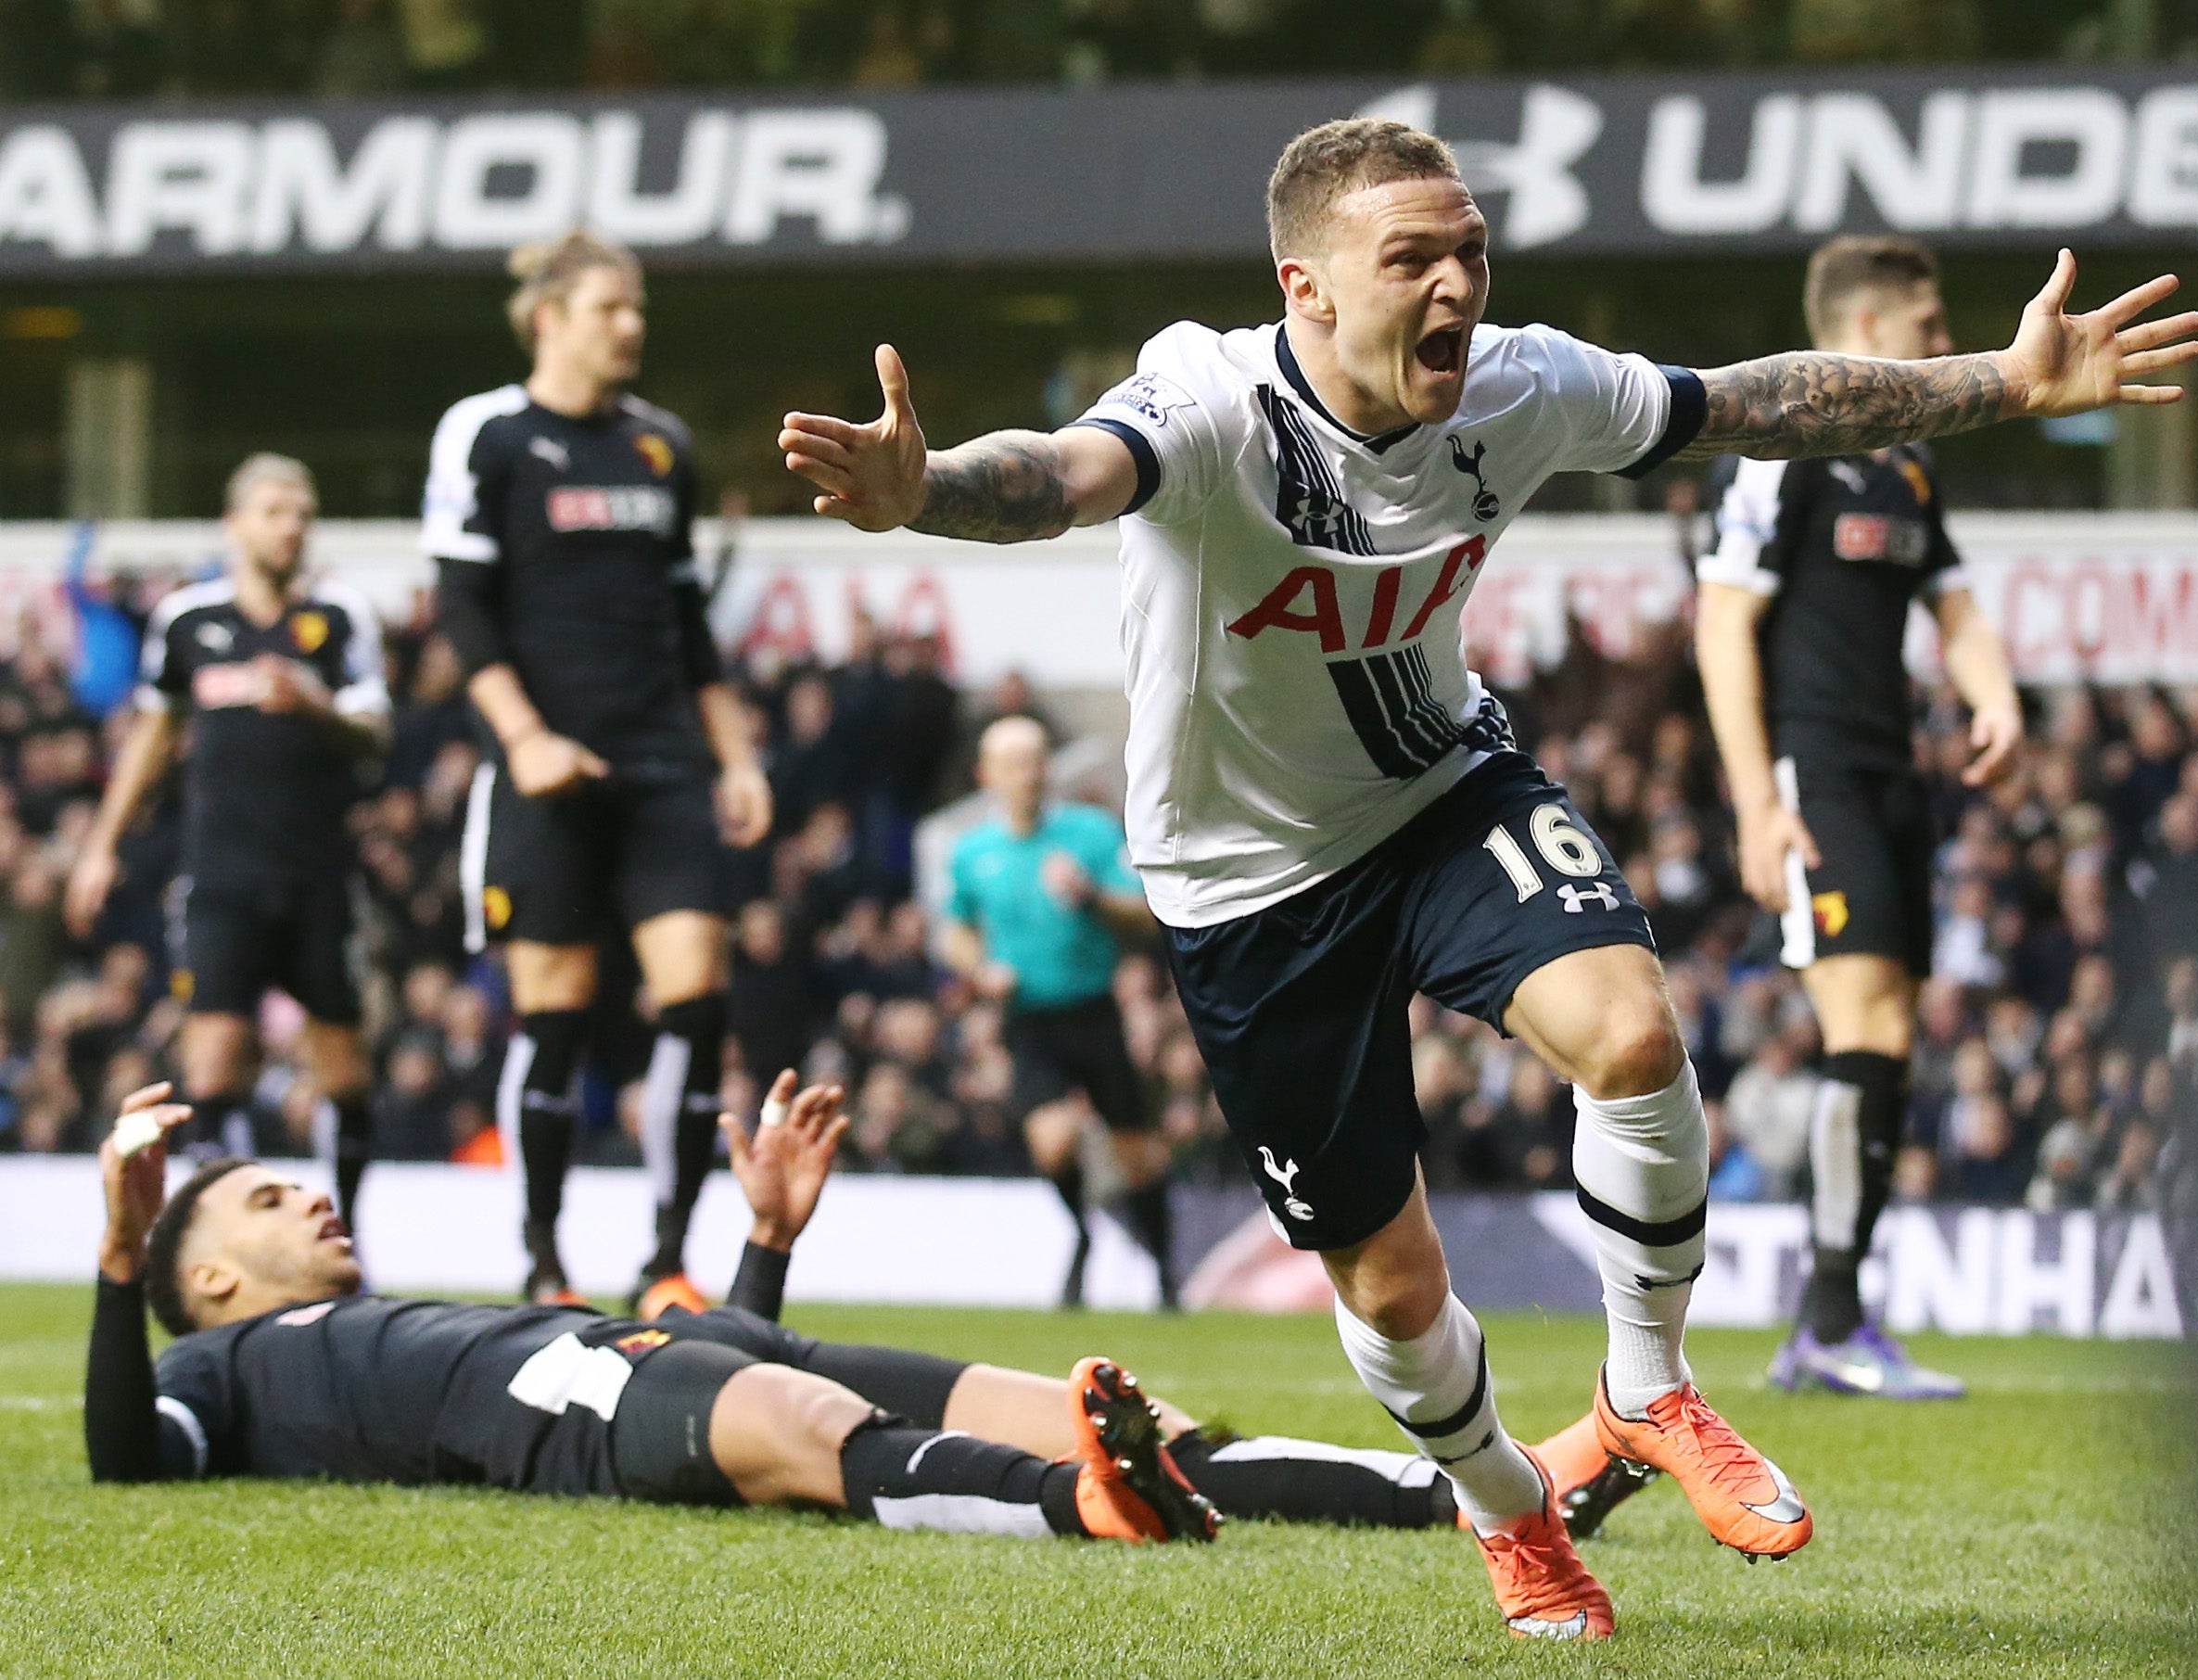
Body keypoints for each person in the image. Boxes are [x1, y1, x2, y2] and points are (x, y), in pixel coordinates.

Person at [776, 117, 2198, 1639]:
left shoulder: (1521, 381)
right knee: (1389, 1289)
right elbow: (1062, 473)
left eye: (1470, 251)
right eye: (1413, 258)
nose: (1455, 281)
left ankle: (1648, 1385)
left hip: (1439, 790)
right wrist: (921, 490)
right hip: (1244, 883)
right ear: (1306, 288)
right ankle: (1509, 1511)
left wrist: (2004, 381)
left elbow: (1751, 405)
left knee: (1635, 1033)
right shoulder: (1208, 396)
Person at [81, 1069, 1493, 1539]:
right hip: (581, 1404)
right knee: (808, 1425)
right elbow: (122, 1456)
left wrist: (762, 1243)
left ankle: (1465, 1496)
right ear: (201, 1279)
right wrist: (107, 1270)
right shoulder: (227, 1375)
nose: (308, 1203)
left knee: (1135, 1416)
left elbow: (706, 1331)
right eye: (266, 1205)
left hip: (676, 1340)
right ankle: (1082, 1506)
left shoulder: (372, 1311)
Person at [1696, 235, 2028, 1402]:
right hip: (1813, 768)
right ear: (1871, 329)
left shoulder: (1909, 465)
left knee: (1887, 1023)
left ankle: (1832, 1320)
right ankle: (1830, 1321)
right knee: (1865, 1017)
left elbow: (1958, 602)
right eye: (1930, 326)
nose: (1945, 347)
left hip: (1894, 778)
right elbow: (1721, 621)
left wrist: (1991, 689)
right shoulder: (1777, 451)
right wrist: (1755, 802)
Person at [423, 231, 773, 1310]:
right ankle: (541, 1260)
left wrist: (734, 755)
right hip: (540, 774)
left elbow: (688, 628)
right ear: (548, 316)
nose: (632, 325)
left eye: (636, 309)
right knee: (558, 1013)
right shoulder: (486, 435)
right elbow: (461, 610)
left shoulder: (661, 447)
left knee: (696, 1001)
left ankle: (665, 1260)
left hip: (661, 763)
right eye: (610, 308)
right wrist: (524, 739)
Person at [66, 454, 389, 1237]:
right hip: (220, 875)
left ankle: (349, 1238)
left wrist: (316, 706)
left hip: (317, 876)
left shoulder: (340, 616)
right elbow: (155, 730)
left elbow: (376, 730)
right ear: (235, 523)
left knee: (344, 1074)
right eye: (275, 512)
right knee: (212, 1063)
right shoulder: (188, 621)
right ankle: (238, 1239)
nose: (291, 528)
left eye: (302, 514)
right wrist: (102, 843)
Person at [945, 716, 1172, 1307]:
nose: (1028, 774)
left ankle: (1167, 1274)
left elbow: (1144, 916)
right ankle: (1080, 1235)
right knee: (1052, 1141)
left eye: (1037, 759)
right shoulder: (973, 853)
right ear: (986, 775)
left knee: (1138, 1155)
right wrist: (980, 969)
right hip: (1031, 1018)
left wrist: (1091, 897)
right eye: (1013, 763)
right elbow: (958, 929)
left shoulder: (1091, 836)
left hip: (1094, 1009)